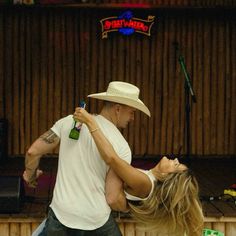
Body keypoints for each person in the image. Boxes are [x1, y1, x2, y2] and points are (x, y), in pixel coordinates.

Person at [23, 81, 150, 236]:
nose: (133, 118)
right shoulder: (121, 147)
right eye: (132, 112)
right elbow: (112, 198)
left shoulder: (70, 122)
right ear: (118, 109)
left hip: (62, 214)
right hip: (96, 221)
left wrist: (30, 175)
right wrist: (132, 208)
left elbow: (33, 152)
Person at [73, 108, 204, 236]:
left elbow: (112, 159)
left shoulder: (145, 183)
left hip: (94, 213)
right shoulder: (148, 180)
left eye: (175, 165)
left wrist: (90, 122)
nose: (175, 159)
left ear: (166, 176)